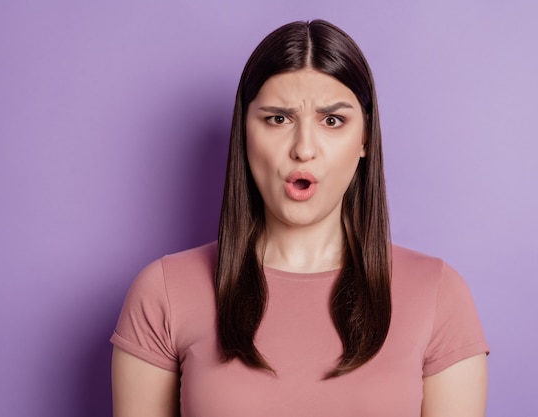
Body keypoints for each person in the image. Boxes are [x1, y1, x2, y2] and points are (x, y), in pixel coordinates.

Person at [110, 19, 489, 417]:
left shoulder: (439, 295)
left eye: (332, 121)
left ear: (365, 138)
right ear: (243, 132)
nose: (303, 149)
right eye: (278, 119)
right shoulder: (163, 293)